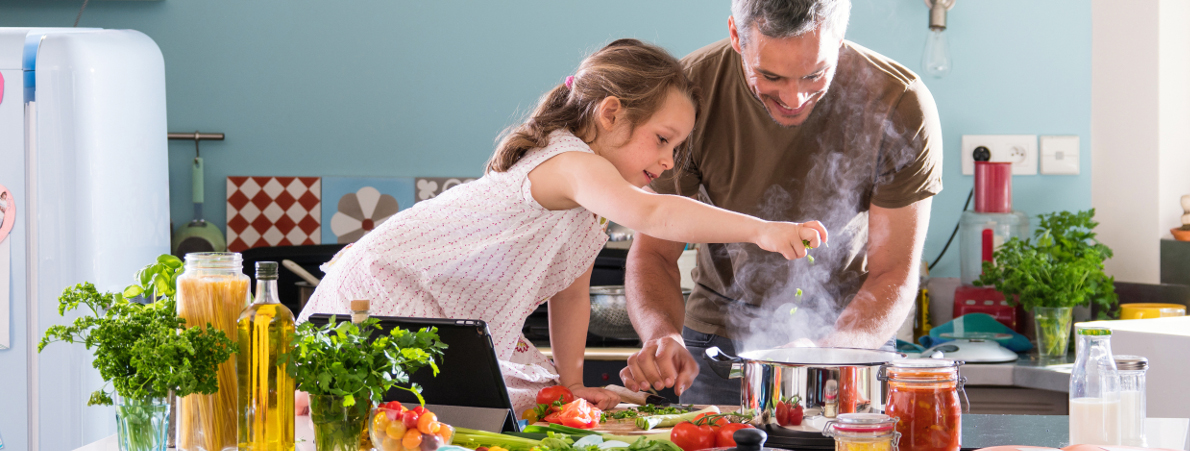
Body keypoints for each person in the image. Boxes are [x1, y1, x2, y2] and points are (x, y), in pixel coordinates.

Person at [297, 39, 828, 414]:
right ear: (611, 113)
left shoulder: (587, 205)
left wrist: (572, 382)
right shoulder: (572, 163)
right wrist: (763, 230)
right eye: (663, 139)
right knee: (377, 412)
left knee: (504, 405)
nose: (669, 161)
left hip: (434, 311)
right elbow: (655, 214)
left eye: (677, 148)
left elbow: (569, 296)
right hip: (387, 289)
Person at [620, 0, 943, 405]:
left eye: (815, 74)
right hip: (718, 351)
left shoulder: (900, 102)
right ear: (737, 37)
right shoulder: (686, 95)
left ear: (839, 40)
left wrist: (831, 352)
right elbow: (654, 252)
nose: (794, 97)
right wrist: (661, 334)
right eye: (770, 76)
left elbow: (893, 271)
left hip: (850, 346)